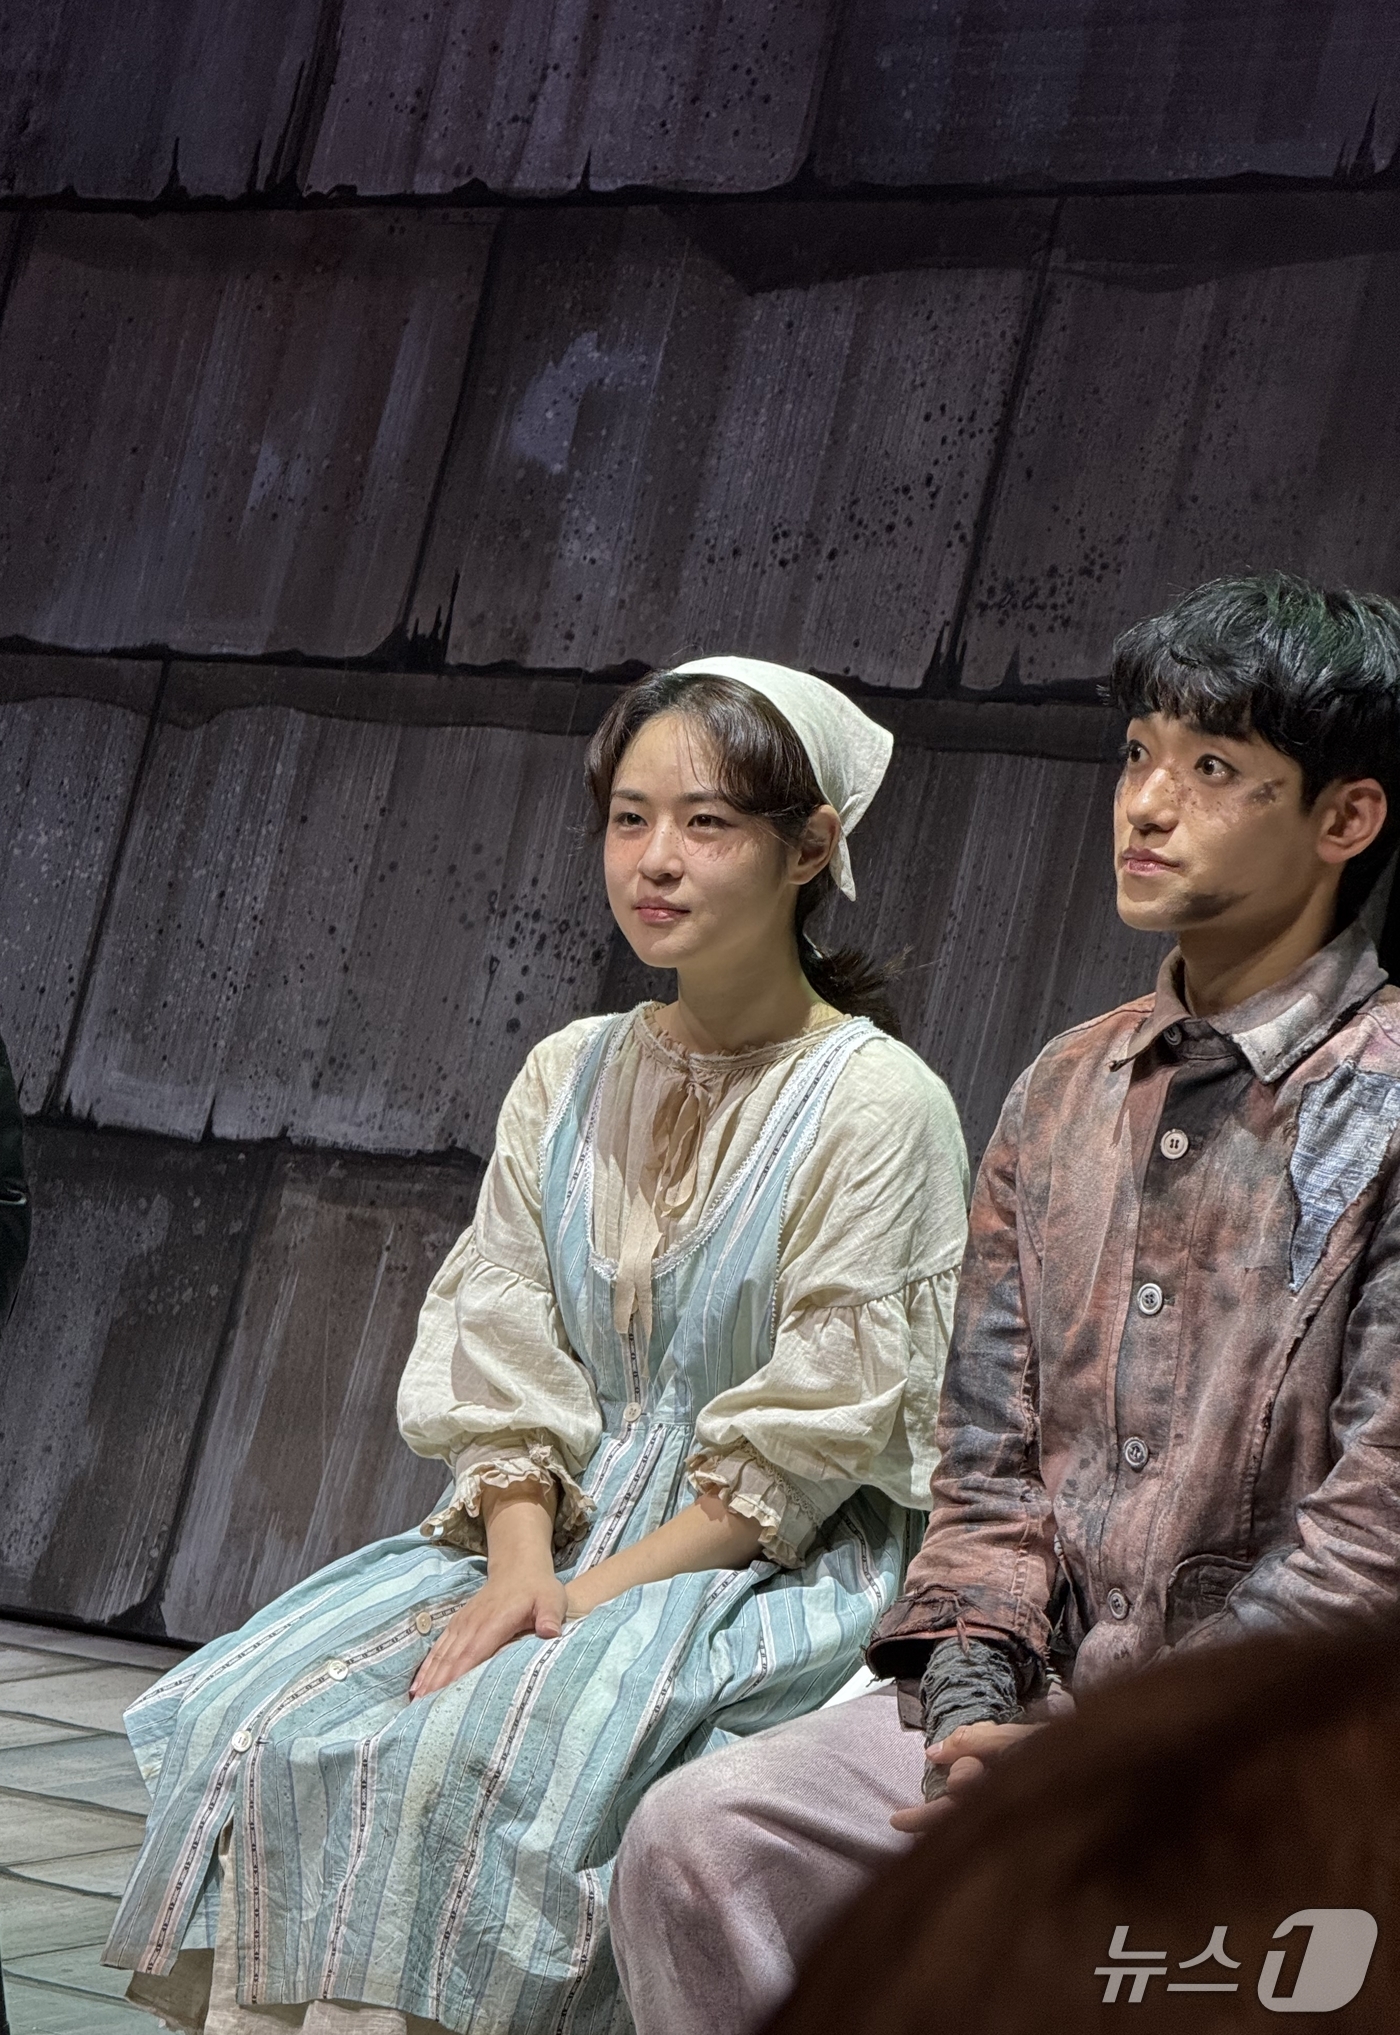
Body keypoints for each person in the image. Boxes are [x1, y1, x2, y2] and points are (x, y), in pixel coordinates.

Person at [101, 657, 970, 2034]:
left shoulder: (878, 1101)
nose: (655, 859)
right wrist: (520, 1565)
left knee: (482, 1752)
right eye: (629, 818)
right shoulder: (571, 1067)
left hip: (761, 1557)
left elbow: (817, 1436)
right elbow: (505, 1340)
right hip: (546, 1523)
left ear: (809, 847)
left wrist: (576, 1600)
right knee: (260, 1719)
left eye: (706, 822)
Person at [608, 573, 1400, 2035]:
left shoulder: (1386, 1102)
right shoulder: (1064, 1087)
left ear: (1344, 818)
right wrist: (977, 1712)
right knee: (702, 1839)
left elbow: (1371, 1538)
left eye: (1212, 769)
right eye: (1139, 754)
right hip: (1037, 1702)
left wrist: (1108, 1763)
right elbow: (985, 1463)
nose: (1145, 804)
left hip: (1288, 1743)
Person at [763, 1613, 1400, 2035]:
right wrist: (968, 1723)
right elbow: (985, 1514)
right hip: (1025, 1671)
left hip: (1276, 1713)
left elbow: (1346, 1566)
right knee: (722, 1823)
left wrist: (1107, 1747)